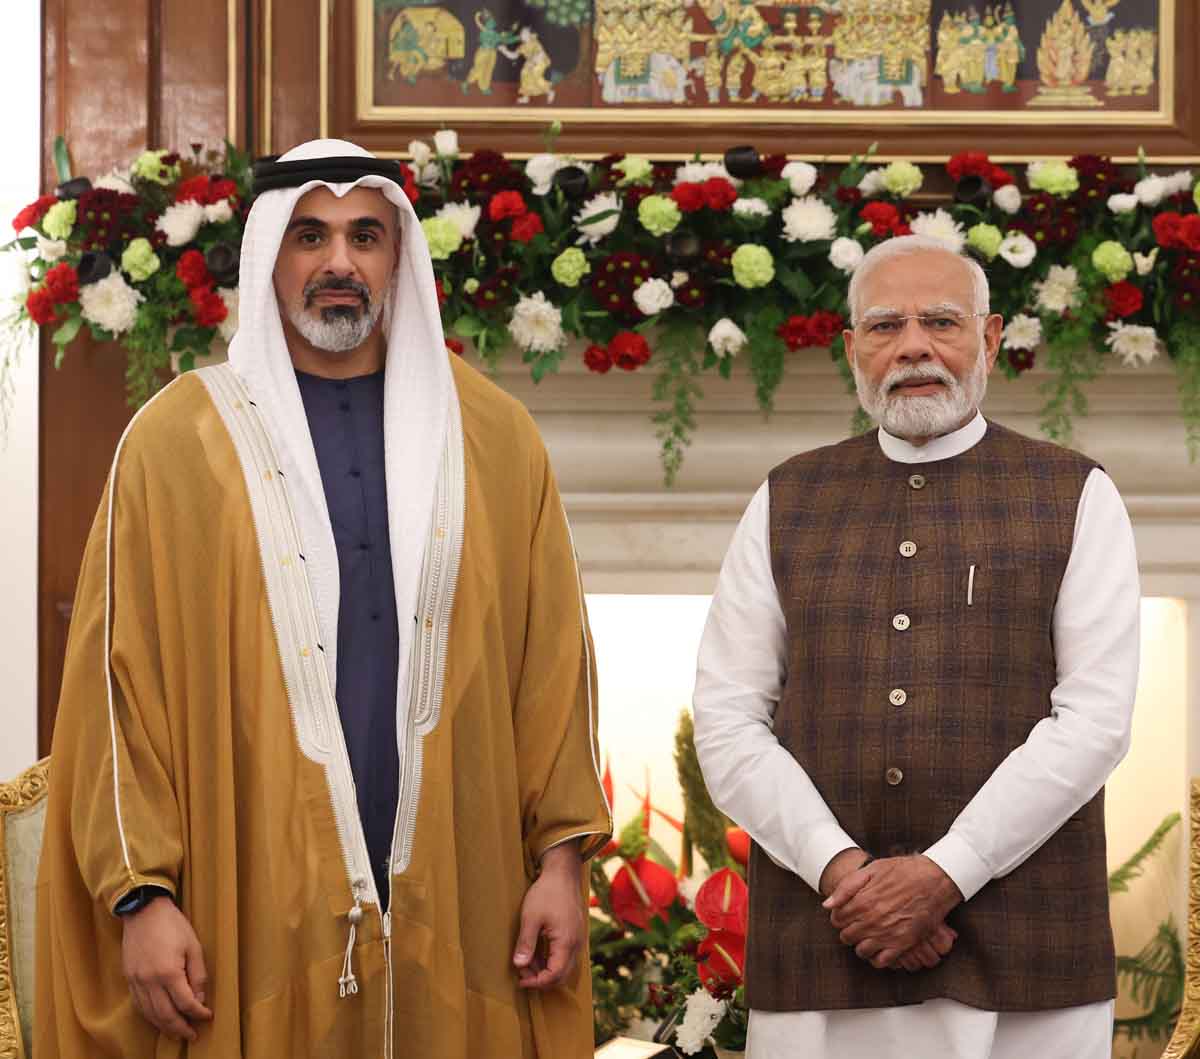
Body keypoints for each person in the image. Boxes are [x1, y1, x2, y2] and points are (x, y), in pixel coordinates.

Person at [35, 138, 612, 1058]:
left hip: (467, 892)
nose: (338, 263)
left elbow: (552, 669)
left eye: (365, 236)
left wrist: (561, 862)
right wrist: (141, 895)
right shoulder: (175, 445)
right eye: (310, 235)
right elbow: (114, 691)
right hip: (247, 891)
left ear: (397, 258)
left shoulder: (494, 439)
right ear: (270, 255)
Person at [693, 234, 1138, 1058]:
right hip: (825, 946)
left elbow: (1095, 722)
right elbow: (726, 719)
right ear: (851, 348)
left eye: (941, 321)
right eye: (885, 326)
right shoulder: (788, 496)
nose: (914, 347)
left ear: (992, 337)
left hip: (1029, 959)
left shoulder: (1076, 492)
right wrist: (843, 871)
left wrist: (946, 872)